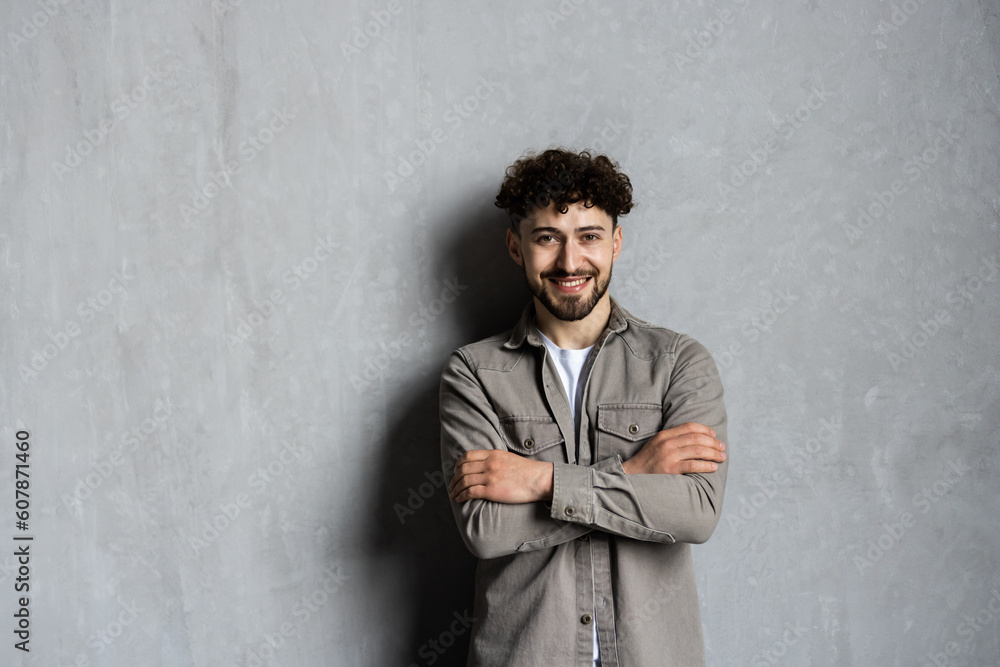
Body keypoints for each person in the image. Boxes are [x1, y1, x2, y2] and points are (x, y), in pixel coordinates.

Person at [440, 148, 728, 666]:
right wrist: (637, 473)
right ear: (516, 246)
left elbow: (695, 513)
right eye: (547, 238)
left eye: (589, 236)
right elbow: (487, 530)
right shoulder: (473, 373)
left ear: (615, 242)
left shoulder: (678, 363)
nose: (570, 262)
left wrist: (538, 480)